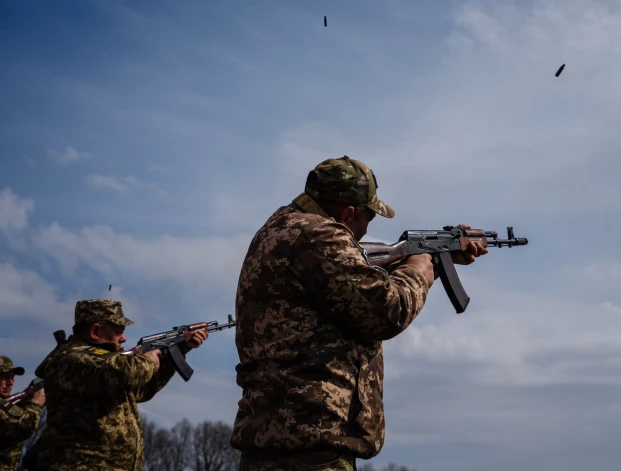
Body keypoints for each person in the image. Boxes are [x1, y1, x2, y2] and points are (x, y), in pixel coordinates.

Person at [230, 155, 488, 470]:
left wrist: (436, 253)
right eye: (367, 219)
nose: (365, 231)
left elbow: (349, 273)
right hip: (310, 443)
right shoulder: (319, 236)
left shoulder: (283, 228)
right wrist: (420, 270)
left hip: (282, 435)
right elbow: (387, 310)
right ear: (348, 213)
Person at [33, 299, 209, 471]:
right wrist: (145, 359)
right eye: (119, 331)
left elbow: (142, 390)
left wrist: (178, 351)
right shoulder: (71, 358)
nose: (124, 338)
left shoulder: (105, 363)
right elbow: (124, 373)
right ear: (95, 331)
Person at [0, 356, 45, 471]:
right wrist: (35, 403)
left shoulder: (6, 404)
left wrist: (26, 399)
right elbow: (26, 426)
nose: (10, 382)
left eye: (12, 377)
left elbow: (11, 416)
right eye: (4, 377)